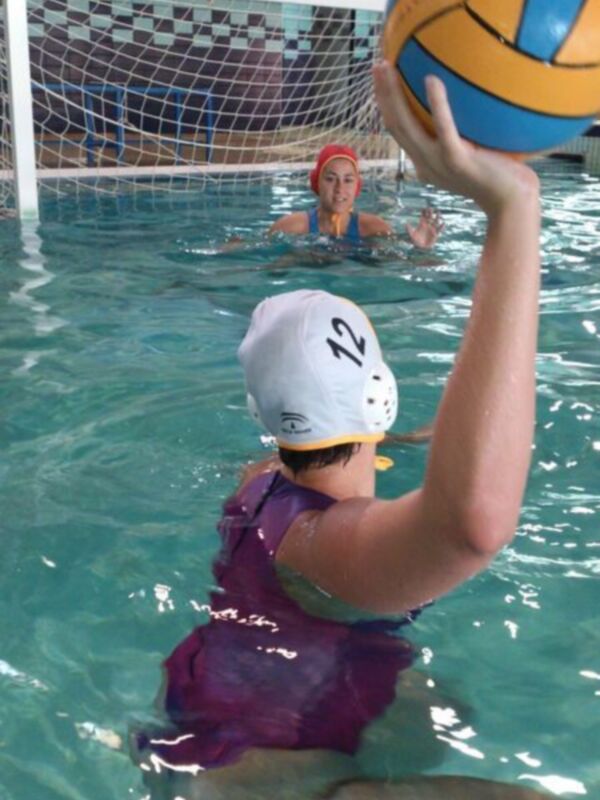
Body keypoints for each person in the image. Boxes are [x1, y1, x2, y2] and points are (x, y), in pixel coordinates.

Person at [134, 67, 543, 799]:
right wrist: (513, 213)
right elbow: (472, 526)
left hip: (208, 717)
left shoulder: (260, 481)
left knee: (442, 708)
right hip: (263, 774)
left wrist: (407, 442)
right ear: (381, 396)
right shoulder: (330, 544)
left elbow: (311, 447)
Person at [268, 143, 443, 248]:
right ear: (316, 183)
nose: (340, 188)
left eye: (348, 180)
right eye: (330, 179)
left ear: (357, 186)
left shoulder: (375, 229)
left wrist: (420, 250)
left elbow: (401, 266)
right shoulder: (290, 227)